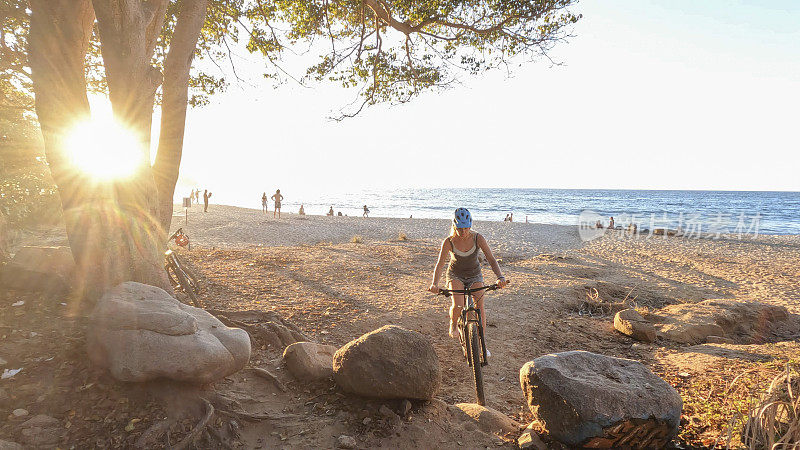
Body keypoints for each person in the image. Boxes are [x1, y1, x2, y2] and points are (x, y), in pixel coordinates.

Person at [428, 208, 509, 356]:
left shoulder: (478, 238)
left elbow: (491, 259)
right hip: (455, 275)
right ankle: (453, 324)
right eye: (459, 228)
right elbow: (440, 264)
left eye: (466, 228)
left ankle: (481, 344)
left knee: (479, 306)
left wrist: (500, 277)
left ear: (470, 226)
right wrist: (434, 283)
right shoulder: (449, 241)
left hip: (474, 274)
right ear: (454, 226)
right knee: (458, 304)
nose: (463, 231)